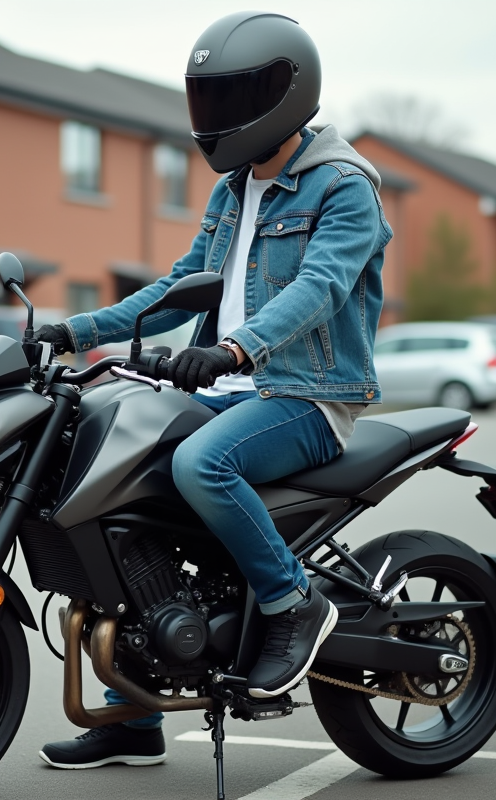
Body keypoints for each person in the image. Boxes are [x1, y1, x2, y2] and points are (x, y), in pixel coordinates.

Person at [37, 10, 392, 770]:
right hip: (236, 390)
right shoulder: (234, 191)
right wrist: (75, 330)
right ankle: (138, 711)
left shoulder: (345, 187)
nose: (218, 119)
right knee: (115, 485)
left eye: (234, 99)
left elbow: (321, 289)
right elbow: (178, 288)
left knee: (202, 466)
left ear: (288, 96)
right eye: (210, 100)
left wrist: (237, 348)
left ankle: (294, 604)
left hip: (309, 394)